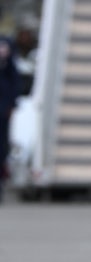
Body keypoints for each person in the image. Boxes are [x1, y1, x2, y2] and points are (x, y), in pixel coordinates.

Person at [0, 30, 20, 202]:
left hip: (2, 102)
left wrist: (13, 103)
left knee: (1, 145)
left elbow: (14, 74)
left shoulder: (5, 42)